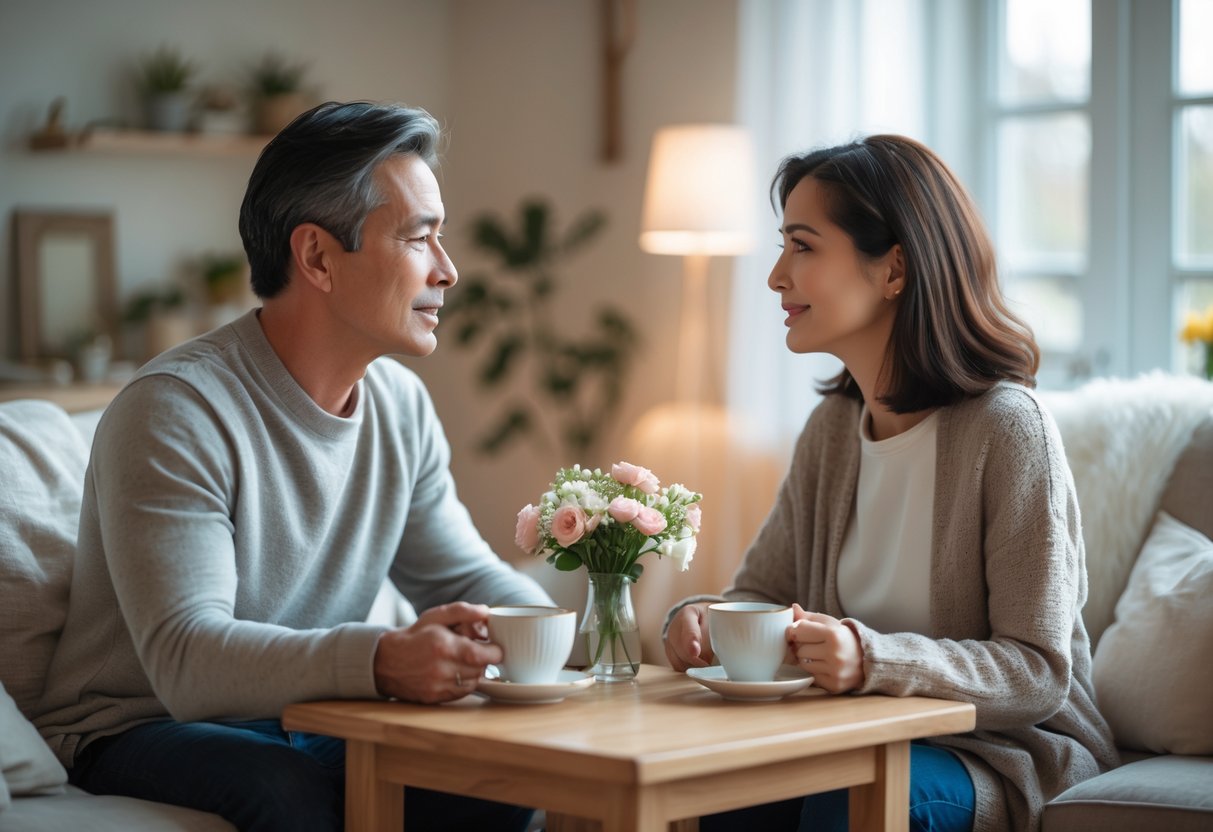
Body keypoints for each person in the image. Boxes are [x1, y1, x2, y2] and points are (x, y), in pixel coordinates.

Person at [34, 101, 551, 832]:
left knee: (493, 778)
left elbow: (465, 578)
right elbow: (188, 661)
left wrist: (593, 636)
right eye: (418, 238)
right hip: (134, 724)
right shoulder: (175, 410)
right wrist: (378, 661)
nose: (449, 269)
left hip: (307, 715)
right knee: (283, 788)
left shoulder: (399, 406)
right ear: (315, 258)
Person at [663, 135, 1119, 832]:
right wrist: (697, 619)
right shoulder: (831, 431)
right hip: (842, 737)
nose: (775, 276)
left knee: (843, 802)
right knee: (721, 791)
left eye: (803, 246)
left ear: (894, 269)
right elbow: (758, 594)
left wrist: (869, 657)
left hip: (995, 755)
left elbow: (1036, 670)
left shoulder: (1006, 429)